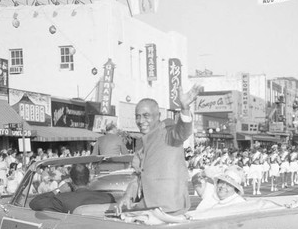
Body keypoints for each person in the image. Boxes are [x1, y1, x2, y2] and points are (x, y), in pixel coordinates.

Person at [116, 84, 202, 215]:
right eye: (137, 116)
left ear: (158, 115)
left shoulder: (167, 133)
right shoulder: (142, 143)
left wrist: (184, 108)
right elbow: (139, 176)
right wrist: (127, 195)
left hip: (170, 208)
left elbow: (182, 131)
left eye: (146, 115)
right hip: (149, 208)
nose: (140, 120)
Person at [29, 163, 115, 213]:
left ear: (71, 181)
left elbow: (35, 203)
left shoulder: (63, 199)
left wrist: (58, 190)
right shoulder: (107, 197)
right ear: (89, 179)